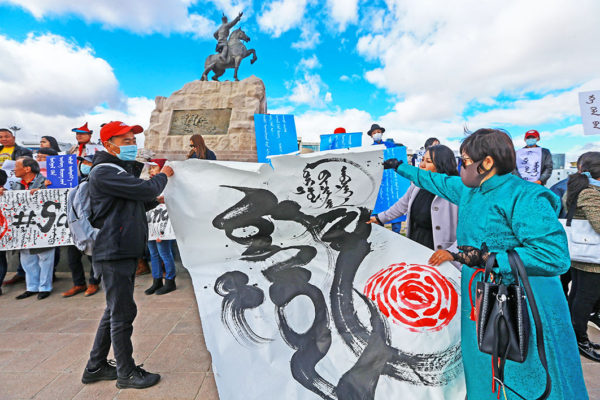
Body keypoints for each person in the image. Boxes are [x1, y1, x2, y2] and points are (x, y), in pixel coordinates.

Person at [384, 128, 586, 399]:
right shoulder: (469, 191)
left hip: (523, 299)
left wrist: (489, 259)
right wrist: (400, 168)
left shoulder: (525, 196)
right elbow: (435, 181)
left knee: (521, 368)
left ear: (487, 163)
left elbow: (553, 256)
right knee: (481, 364)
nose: (460, 166)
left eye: (465, 161)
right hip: (480, 294)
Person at [82, 121, 173, 390]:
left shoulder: (117, 170)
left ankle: (95, 366)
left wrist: (156, 199)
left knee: (114, 309)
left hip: (120, 247)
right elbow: (146, 190)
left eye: (134, 140)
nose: (133, 145)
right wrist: (164, 175)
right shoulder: (104, 172)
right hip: (114, 249)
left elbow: (139, 200)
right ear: (108, 144)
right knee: (122, 312)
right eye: (126, 140)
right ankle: (126, 372)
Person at [369, 145, 458, 260]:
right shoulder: (416, 186)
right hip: (416, 245)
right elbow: (401, 206)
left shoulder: (454, 192)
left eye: (428, 161)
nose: (422, 165)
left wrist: (452, 253)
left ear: (442, 165)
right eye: (422, 160)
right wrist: (379, 218)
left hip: (439, 255)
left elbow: (467, 232)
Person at [564, 153, 600, 362]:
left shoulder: (582, 189)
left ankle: (574, 337)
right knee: (584, 299)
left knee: (578, 296)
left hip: (584, 254)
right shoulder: (590, 193)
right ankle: (579, 339)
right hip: (591, 258)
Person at [11, 157, 54, 300]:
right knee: (27, 259)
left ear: (27, 169)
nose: (14, 169)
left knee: (45, 258)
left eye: (17, 166)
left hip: (43, 227)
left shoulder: (47, 181)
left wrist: (45, 191)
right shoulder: (16, 185)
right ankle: (32, 287)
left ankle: (45, 287)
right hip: (24, 227)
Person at [62, 154, 102, 298]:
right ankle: (78, 283)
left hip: (91, 226)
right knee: (73, 258)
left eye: (88, 163)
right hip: (75, 227)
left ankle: (94, 282)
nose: (84, 165)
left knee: (93, 257)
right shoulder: (76, 182)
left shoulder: (98, 182)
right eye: (83, 162)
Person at [145, 159, 177, 296]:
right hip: (150, 225)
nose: (151, 170)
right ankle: (157, 280)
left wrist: (161, 230)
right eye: (150, 168)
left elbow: (166, 208)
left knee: (164, 253)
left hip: (162, 225)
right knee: (153, 254)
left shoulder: (168, 185)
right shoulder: (149, 184)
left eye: (154, 168)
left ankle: (170, 281)